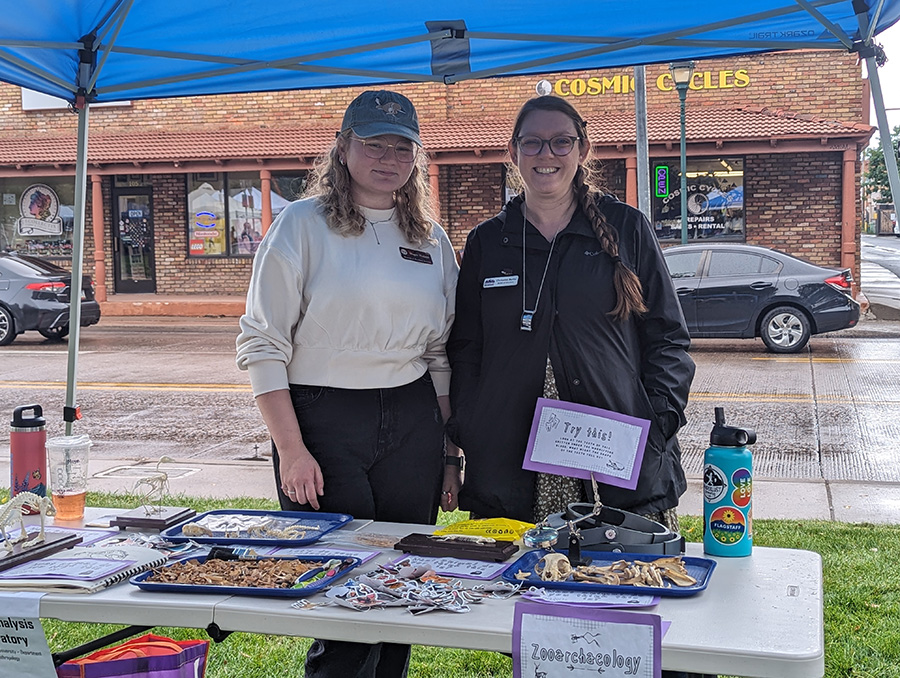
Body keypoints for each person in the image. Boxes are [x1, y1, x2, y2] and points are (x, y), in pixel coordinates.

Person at [447, 94, 702, 678]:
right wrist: (472, 428)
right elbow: (466, 348)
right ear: (513, 153)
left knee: (631, 605)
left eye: (561, 141)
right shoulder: (489, 241)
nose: (547, 154)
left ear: (582, 149)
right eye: (532, 142)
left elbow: (668, 341)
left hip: (617, 457)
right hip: (514, 463)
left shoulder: (626, 228)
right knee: (533, 616)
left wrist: (655, 427)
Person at [236, 89, 460, 678]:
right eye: (372, 143)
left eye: (401, 146)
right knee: (341, 598)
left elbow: (441, 352)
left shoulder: (430, 238)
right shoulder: (300, 225)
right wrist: (290, 450)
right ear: (342, 148)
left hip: (413, 420)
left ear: (415, 157)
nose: (387, 157)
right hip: (322, 420)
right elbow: (262, 343)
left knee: (402, 584)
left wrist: (448, 455)